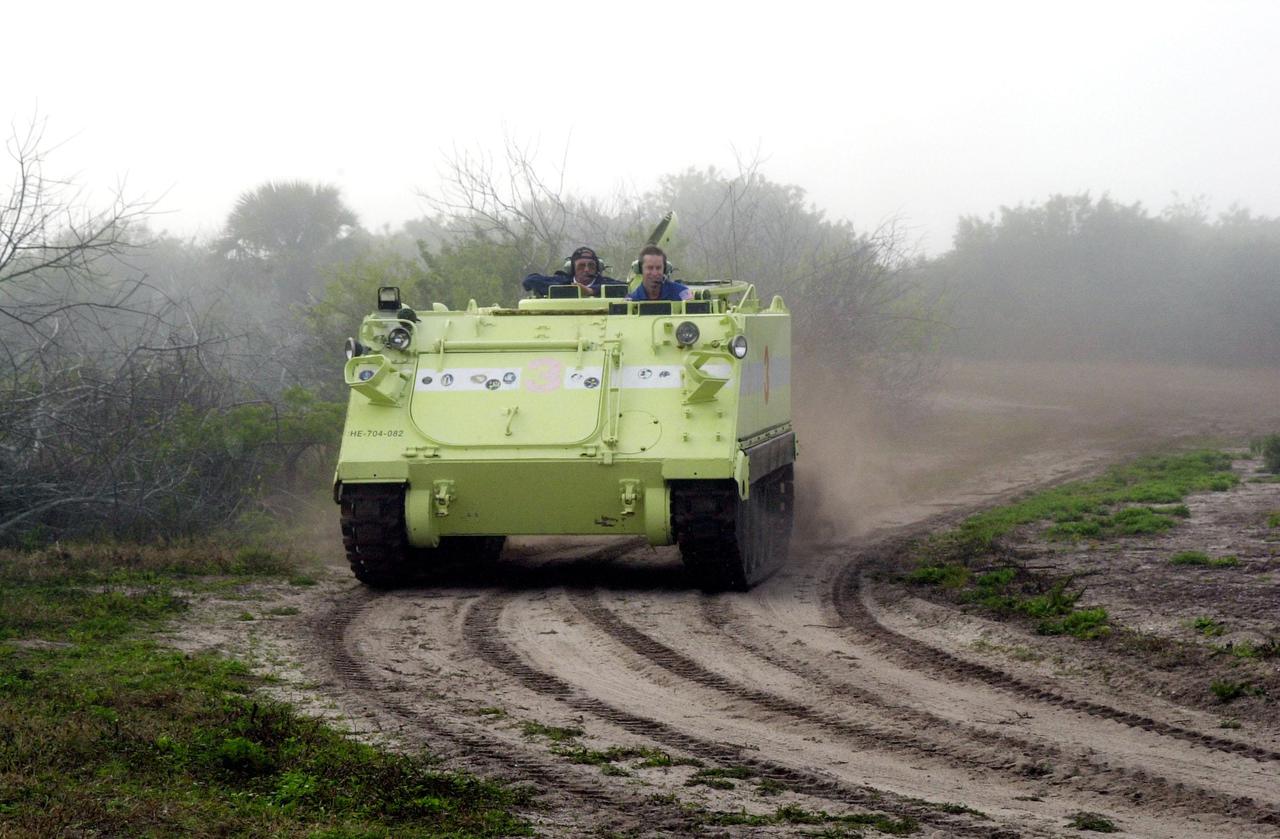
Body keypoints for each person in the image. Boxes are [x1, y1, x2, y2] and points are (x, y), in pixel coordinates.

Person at [522, 246, 625, 297]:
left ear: (597, 268)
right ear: (572, 268)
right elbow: (529, 281)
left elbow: (626, 288)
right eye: (581, 266)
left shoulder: (605, 283)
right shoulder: (563, 281)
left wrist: (591, 291)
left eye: (591, 265)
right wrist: (567, 289)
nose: (586, 269)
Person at [627, 245, 692, 301]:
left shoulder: (682, 294)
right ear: (640, 270)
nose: (655, 273)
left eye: (658, 268)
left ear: (665, 269)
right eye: (650, 268)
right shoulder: (632, 300)